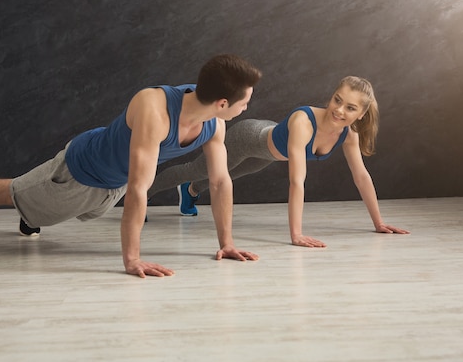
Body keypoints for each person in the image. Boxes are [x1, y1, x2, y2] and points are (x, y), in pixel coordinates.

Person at [0, 54, 263, 278]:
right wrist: (131, 260)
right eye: (245, 102)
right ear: (222, 103)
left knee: (42, 209)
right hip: (82, 170)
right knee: (15, 192)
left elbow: (220, 182)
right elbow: (139, 187)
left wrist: (227, 243)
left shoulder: (214, 125)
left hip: (114, 181)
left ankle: (32, 214)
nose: (246, 107)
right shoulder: (155, 110)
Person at [148, 76, 409, 247]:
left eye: (350, 108)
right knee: (197, 170)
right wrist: (296, 235)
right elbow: (297, 182)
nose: (339, 110)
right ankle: (144, 193)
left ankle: (190, 191)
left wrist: (378, 222)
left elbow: (361, 177)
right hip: (249, 139)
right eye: (337, 100)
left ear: (362, 114)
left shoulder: (348, 134)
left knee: (230, 175)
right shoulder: (303, 123)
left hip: (269, 154)